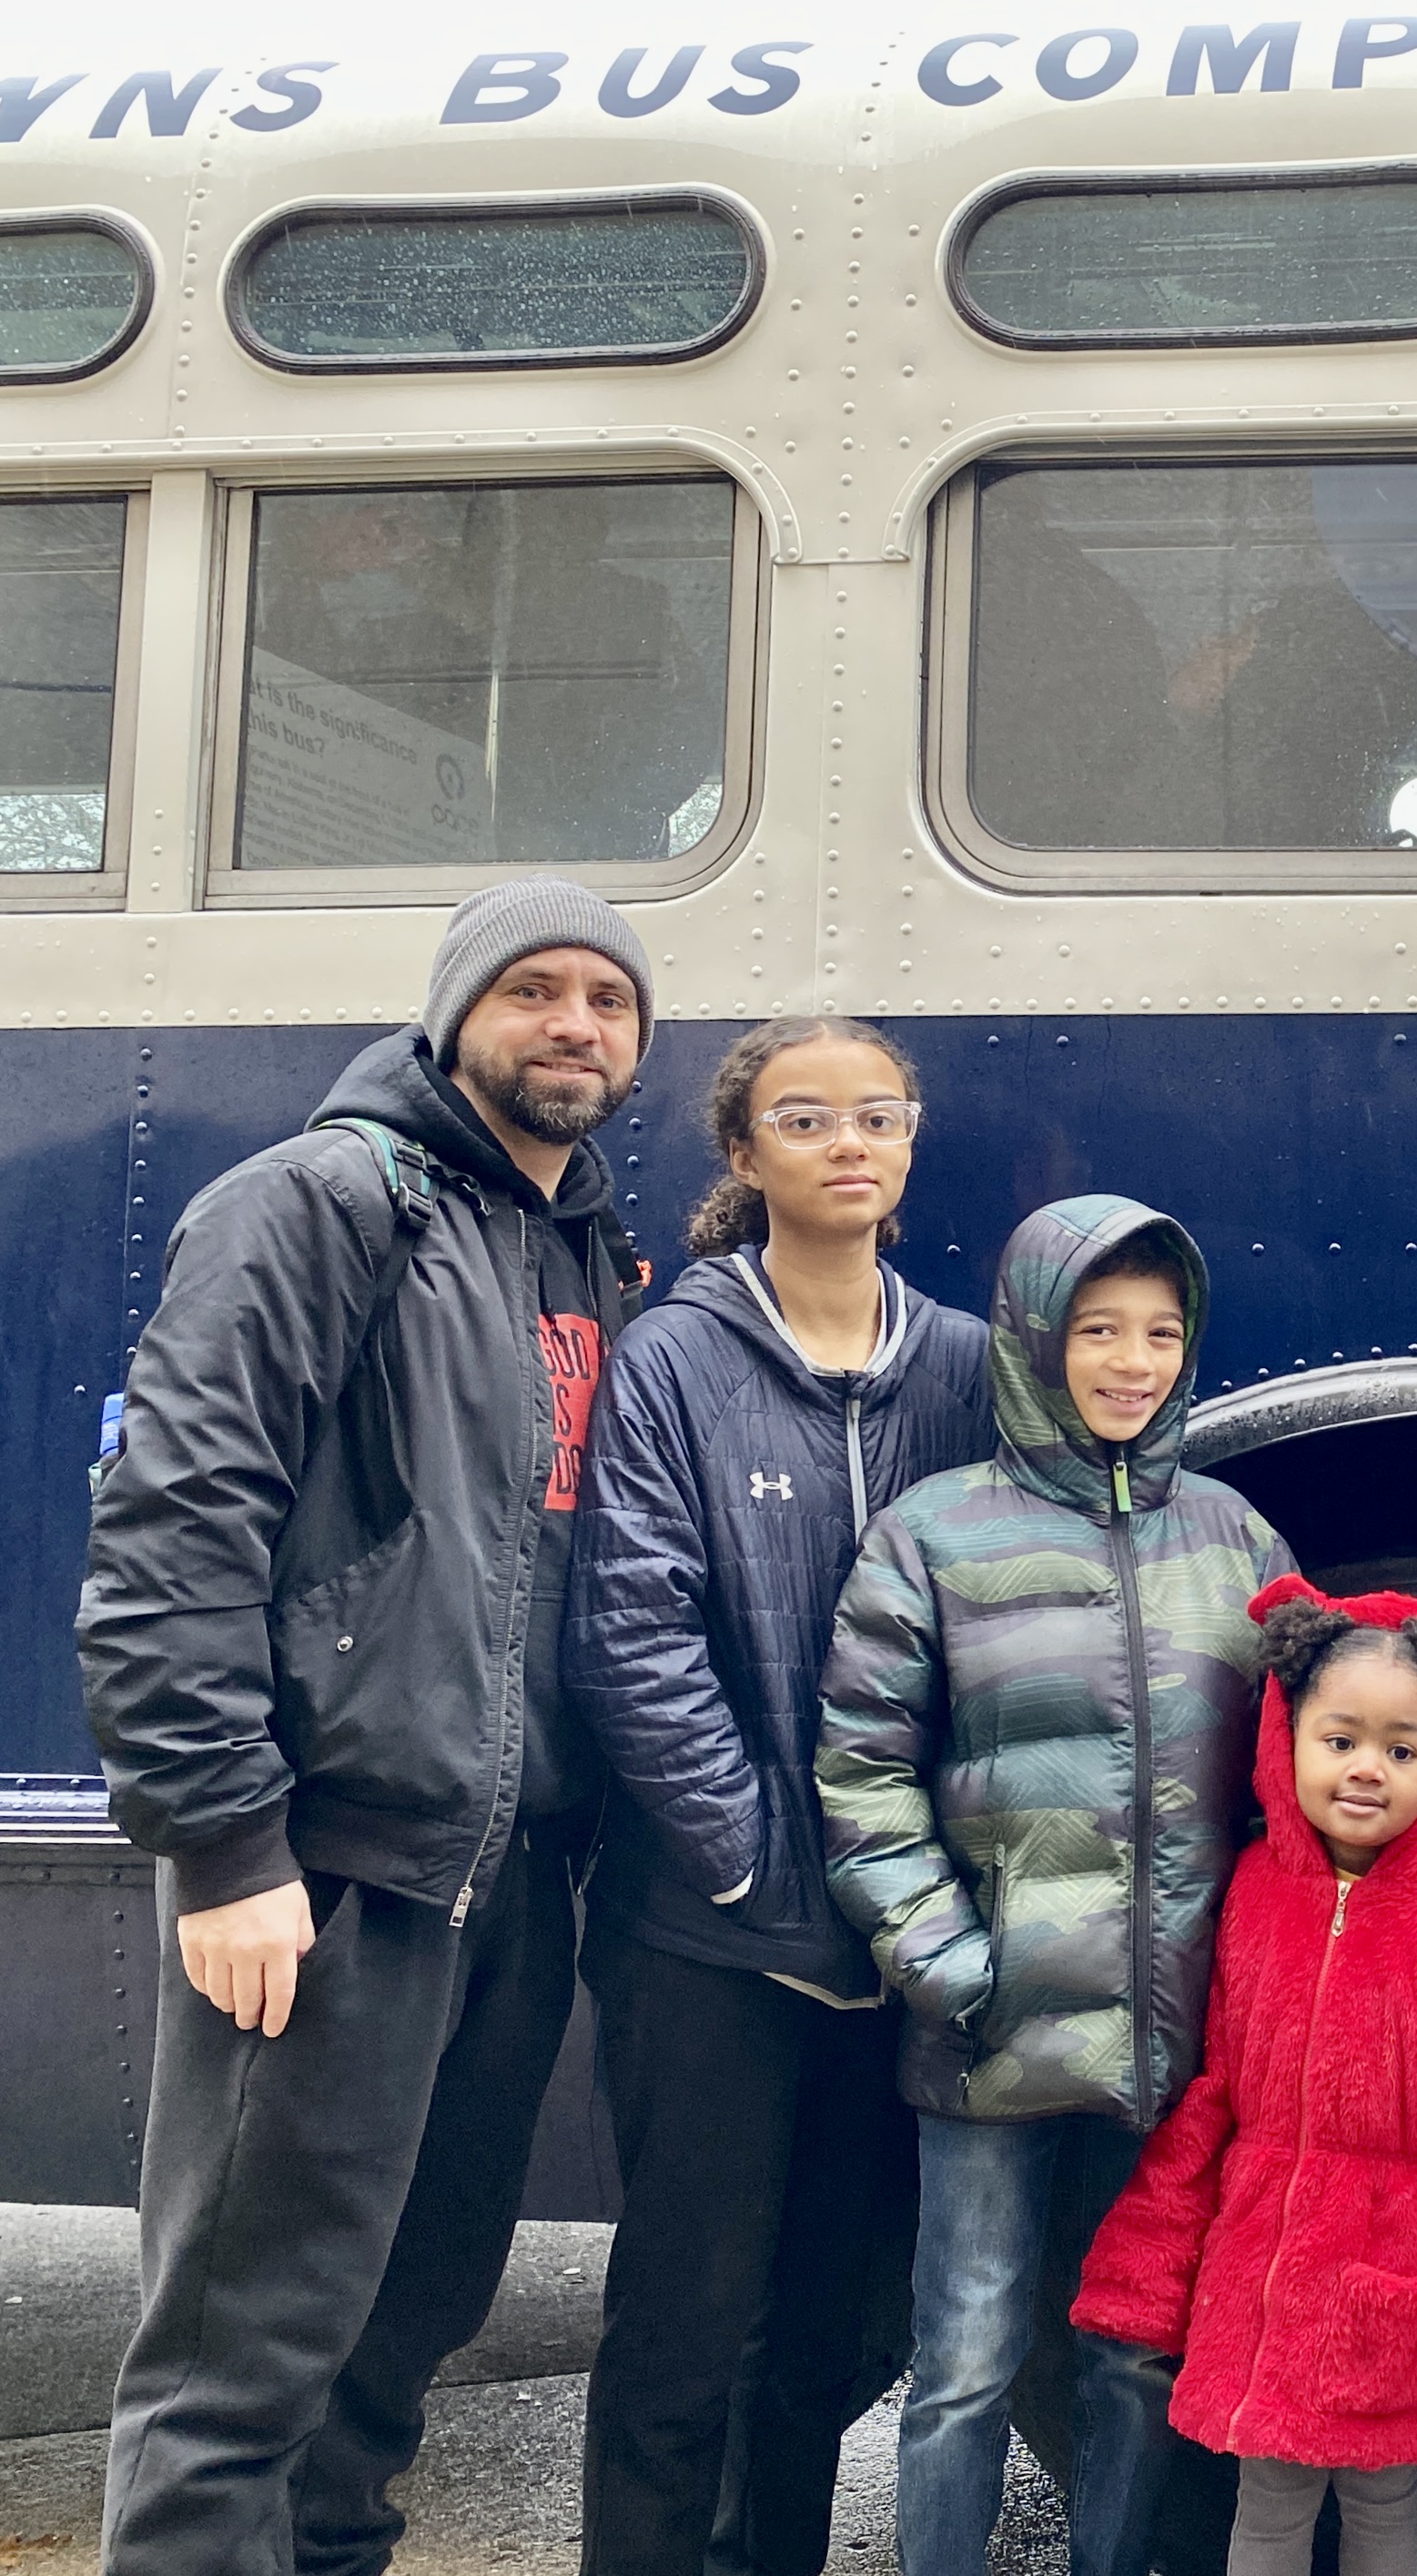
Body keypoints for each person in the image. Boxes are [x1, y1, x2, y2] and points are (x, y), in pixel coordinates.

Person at [78, 878, 653, 2576]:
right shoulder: (321, 1205)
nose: (573, 1026)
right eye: (533, 992)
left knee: (392, 2347)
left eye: (608, 1001)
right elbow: (173, 1529)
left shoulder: (580, 1252)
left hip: (501, 1883)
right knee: (238, 2363)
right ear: (452, 1012)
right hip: (327, 1873)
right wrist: (227, 1845)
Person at [565, 1017, 995, 2576]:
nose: (847, 1144)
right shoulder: (673, 1358)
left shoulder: (961, 1365)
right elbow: (633, 1635)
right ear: (743, 1157)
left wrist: (922, 1891)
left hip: (893, 1947)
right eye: (804, 1120)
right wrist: (760, 1875)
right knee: (686, 2323)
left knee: (828, 2330)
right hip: (710, 1939)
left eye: (876, 1116)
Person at [815, 1195, 1296, 2576]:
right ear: (1035, 1339)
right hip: (988, 2035)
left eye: (1159, 1331)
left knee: (1136, 2359)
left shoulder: (1236, 1539)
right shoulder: (933, 1535)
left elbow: (1297, 1773)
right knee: (963, 2360)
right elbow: (860, 1772)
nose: (1131, 1361)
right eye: (1098, 1329)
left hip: (1174, 2040)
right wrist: (956, 1965)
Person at [1072, 1574, 1417, 2576]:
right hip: (1260, 2267)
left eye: (1403, 1749)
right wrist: (1149, 2259)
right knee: (1266, 2496)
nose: (1367, 1770)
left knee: (1383, 2494)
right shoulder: (1258, 1891)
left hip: (1396, 2271)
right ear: (1289, 1735)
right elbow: (1215, 2092)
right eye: (1340, 1739)